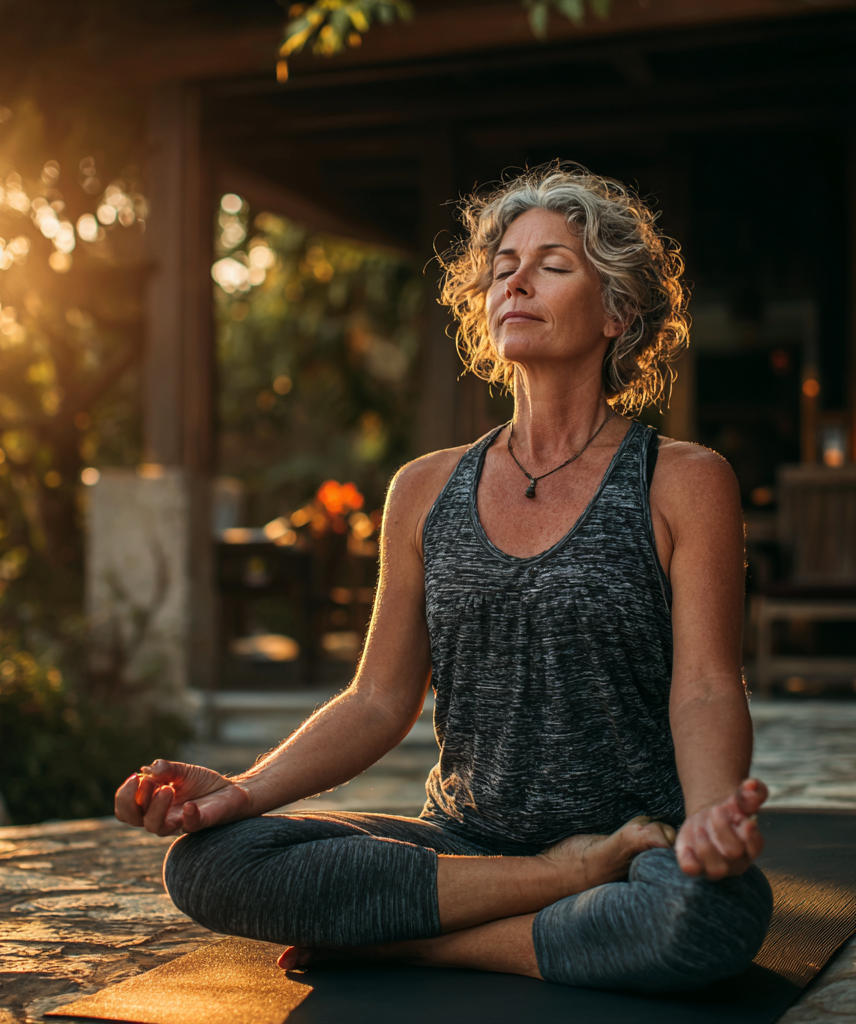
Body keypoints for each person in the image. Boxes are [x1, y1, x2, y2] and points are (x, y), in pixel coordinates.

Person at [115, 164, 773, 994]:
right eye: (503, 268)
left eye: (552, 265)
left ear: (617, 313)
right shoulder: (425, 488)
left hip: (635, 845)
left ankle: (412, 942)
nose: (517, 281)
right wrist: (241, 794)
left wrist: (710, 818)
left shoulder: (682, 479)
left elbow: (709, 685)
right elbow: (378, 699)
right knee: (211, 862)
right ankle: (558, 887)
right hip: (465, 845)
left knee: (709, 913)